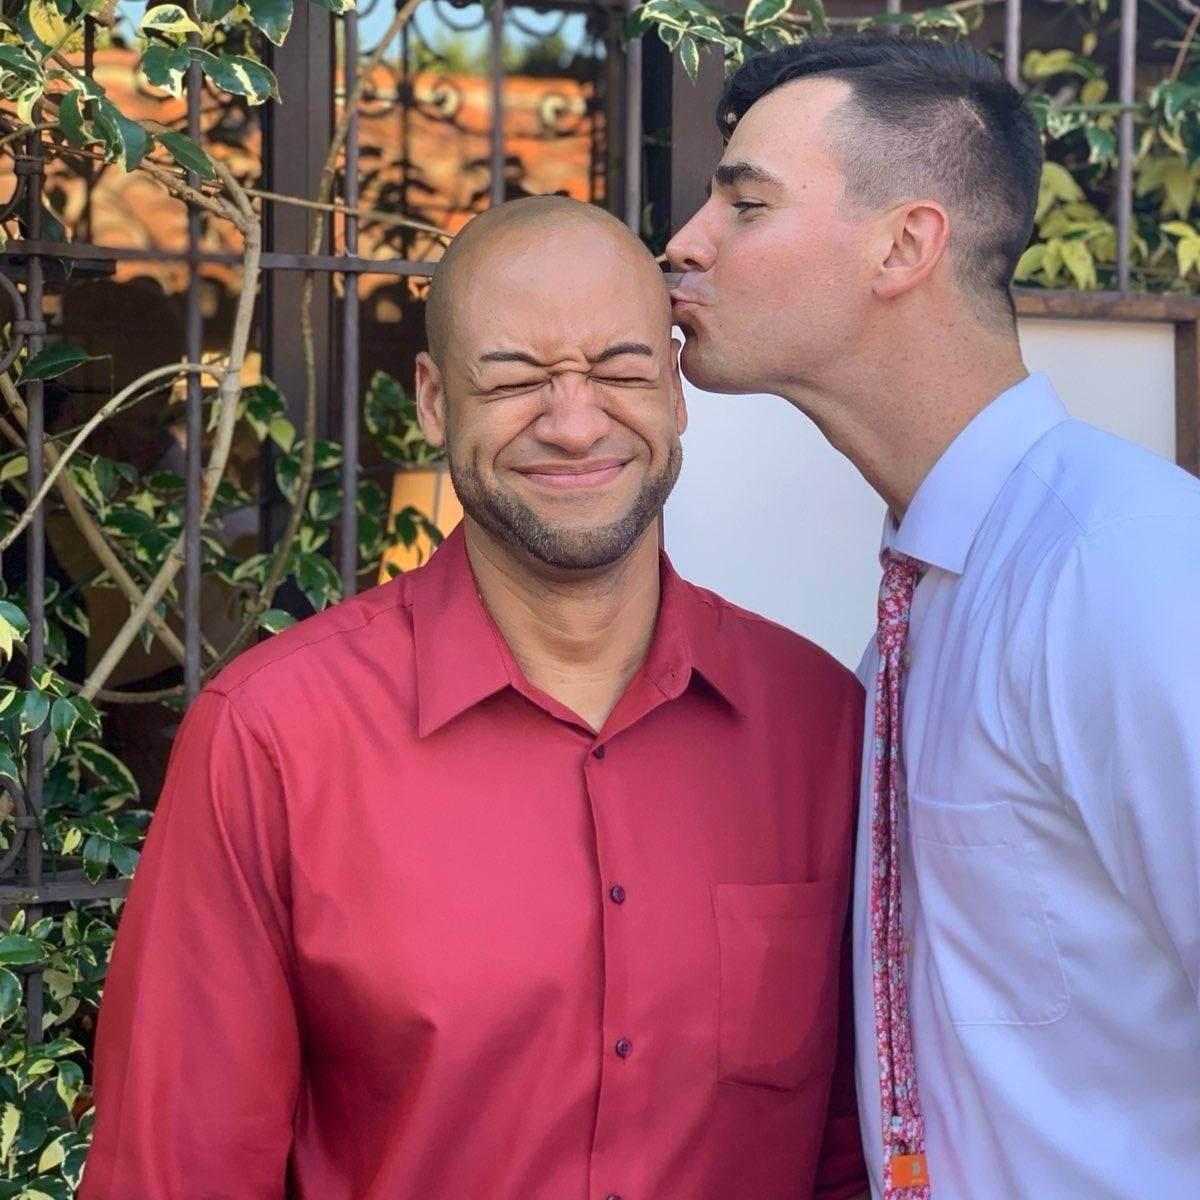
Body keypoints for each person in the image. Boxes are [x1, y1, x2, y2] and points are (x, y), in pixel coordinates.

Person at [83, 196, 868, 1200]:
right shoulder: (276, 737)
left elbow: (858, 1148)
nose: (574, 422)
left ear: (675, 392)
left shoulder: (818, 726)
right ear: (433, 400)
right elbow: (176, 1172)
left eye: (622, 372)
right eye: (516, 379)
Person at [667, 33, 1200, 1200]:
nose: (685, 243)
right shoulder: (924, 611)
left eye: (746, 204)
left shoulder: (1126, 567)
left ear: (905, 245)